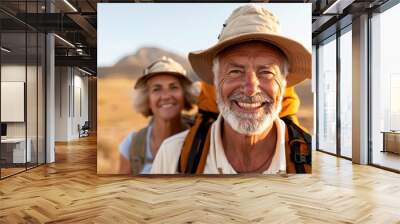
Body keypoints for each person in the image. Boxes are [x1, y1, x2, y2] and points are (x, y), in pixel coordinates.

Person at [151, 5, 312, 174]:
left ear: (284, 82)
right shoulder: (172, 155)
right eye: (235, 71)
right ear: (215, 79)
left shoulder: (311, 158)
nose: (251, 90)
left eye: (266, 72)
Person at [118, 56, 197, 175]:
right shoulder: (132, 145)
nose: (165, 96)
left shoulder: (201, 139)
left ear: (185, 95)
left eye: (173, 87)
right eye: (156, 89)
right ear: (147, 99)